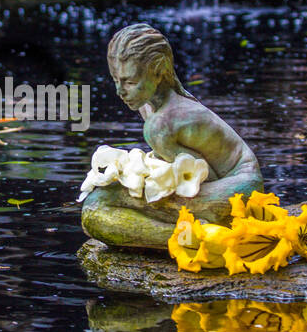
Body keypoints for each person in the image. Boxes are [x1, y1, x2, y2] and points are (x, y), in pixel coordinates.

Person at [81, 23, 263, 249]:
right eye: (116, 80)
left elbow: (199, 178)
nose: (120, 92)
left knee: (95, 209)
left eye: (129, 82)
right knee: (100, 202)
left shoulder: (161, 124)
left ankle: (197, 239)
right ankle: (188, 236)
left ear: (158, 71)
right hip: (234, 185)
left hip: (238, 191)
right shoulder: (148, 105)